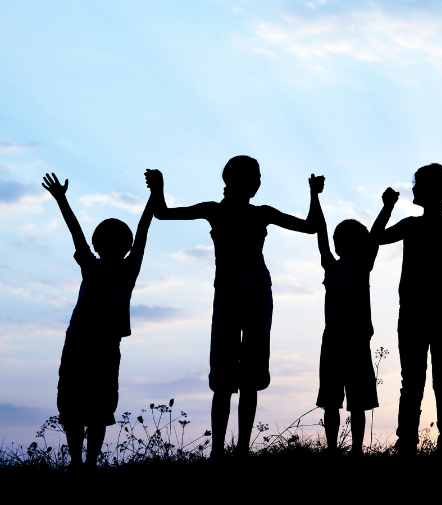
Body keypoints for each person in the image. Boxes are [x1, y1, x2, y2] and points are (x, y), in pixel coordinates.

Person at [145, 156, 319, 458]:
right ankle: (220, 452)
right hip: (232, 291)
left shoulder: (253, 213)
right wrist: (157, 188)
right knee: (226, 373)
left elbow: (310, 227)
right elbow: (162, 213)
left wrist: (314, 194)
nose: (259, 182)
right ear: (240, 180)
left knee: (247, 371)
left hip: (252, 291)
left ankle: (237, 451)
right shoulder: (217, 210)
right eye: (256, 176)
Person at [42, 171, 154, 471]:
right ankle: (80, 463)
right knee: (74, 405)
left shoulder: (127, 269)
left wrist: (154, 197)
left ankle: (87, 463)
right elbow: (76, 233)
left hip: (101, 345)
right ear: (99, 244)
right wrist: (62, 200)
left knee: (99, 407)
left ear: (124, 246)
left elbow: (143, 230)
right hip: (79, 342)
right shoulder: (91, 266)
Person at [374, 163, 442, 455]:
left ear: (432, 190)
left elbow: (375, 237)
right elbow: (376, 238)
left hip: (427, 309)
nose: (414, 188)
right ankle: (430, 440)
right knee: (438, 377)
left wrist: (387, 207)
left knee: (423, 378)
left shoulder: (419, 224)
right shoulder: (422, 224)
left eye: (418, 183)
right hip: (426, 309)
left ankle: (419, 440)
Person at [310, 174, 396, 456]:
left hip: (357, 338)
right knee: (332, 400)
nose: (341, 244)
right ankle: (334, 448)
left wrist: (387, 206)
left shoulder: (363, 266)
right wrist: (315, 195)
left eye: (348, 240)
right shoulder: (330, 266)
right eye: (340, 240)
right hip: (334, 337)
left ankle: (357, 450)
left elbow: (375, 234)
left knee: (357, 401)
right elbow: (320, 230)